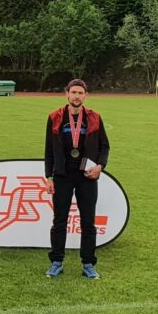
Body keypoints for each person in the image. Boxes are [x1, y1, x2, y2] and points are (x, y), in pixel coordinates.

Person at [44, 78, 110, 279]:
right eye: (73, 92)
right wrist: (49, 176)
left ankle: (88, 263)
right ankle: (57, 261)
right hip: (63, 175)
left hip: (86, 175)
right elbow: (48, 150)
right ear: (67, 94)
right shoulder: (55, 117)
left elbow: (104, 147)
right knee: (59, 220)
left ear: (85, 96)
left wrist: (100, 166)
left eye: (80, 93)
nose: (76, 96)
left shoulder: (94, 118)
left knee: (88, 221)